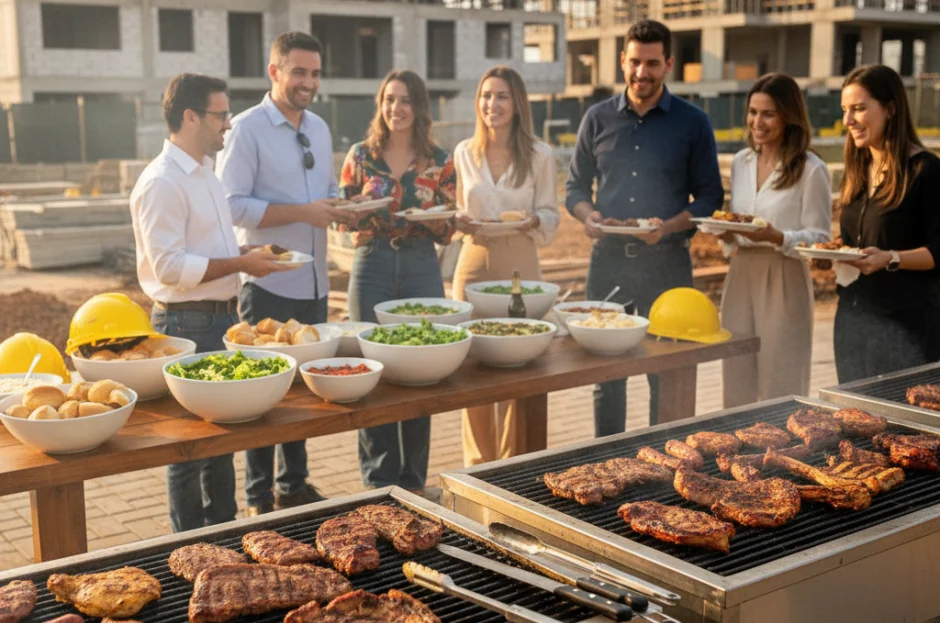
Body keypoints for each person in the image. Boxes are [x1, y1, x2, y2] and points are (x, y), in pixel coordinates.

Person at [130, 73, 293, 532]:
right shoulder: (162, 182)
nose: (228, 124)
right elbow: (169, 268)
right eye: (221, 115)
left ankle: (226, 536)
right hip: (184, 324)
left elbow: (217, 253)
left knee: (220, 440)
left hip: (218, 320)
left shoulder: (205, 173)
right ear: (190, 116)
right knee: (186, 448)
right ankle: (188, 548)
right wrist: (241, 262)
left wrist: (249, 258)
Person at [216, 32, 356, 517]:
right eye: (299, 72)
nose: (309, 82)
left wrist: (338, 207)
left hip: (314, 284)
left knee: (302, 393)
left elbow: (321, 191)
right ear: (274, 72)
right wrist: (303, 212)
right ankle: (258, 500)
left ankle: (293, 486)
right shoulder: (246, 129)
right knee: (263, 396)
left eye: (315, 73)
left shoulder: (317, 126)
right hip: (268, 283)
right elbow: (231, 205)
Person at [565, 19, 724, 436]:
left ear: (668, 63)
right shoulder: (596, 119)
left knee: (665, 375)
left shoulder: (694, 122)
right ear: (622, 61)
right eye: (635, 61)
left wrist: (668, 227)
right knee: (607, 380)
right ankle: (608, 461)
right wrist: (589, 216)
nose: (642, 72)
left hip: (666, 267)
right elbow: (575, 188)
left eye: (652, 63)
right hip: (608, 267)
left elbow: (710, 197)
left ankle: (664, 474)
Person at [338, 69, 457, 491]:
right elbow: (342, 216)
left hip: (421, 263)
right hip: (370, 263)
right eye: (389, 99)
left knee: (419, 368)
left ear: (419, 107)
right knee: (372, 369)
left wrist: (442, 220)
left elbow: (447, 227)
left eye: (405, 100)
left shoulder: (440, 160)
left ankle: (413, 481)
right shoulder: (359, 155)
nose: (396, 108)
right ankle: (378, 484)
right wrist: (355, 210)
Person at [452, 65, 560, 466]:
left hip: (520, 257)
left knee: (521, 360)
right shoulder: (464, 152)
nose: (491, 104)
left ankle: (516, 464)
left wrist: (534, 219)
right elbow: (461, 210)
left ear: (517, 104)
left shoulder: (541, 155)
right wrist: (459, 220)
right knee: (472, 362)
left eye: (501, 96)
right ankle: (477, 466)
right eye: (485, 96)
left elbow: (551, 214)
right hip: (474, 257)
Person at [720, 73, 831, 407]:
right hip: (739, 274)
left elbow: (820, 237)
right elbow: (737, 220)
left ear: (789, 116)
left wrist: (777, 236)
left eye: (768, 113)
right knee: (735, 376)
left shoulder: (811, 169)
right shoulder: (741, 162)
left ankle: (779, 454)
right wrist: (725, 233)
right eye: (753, 112)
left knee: (780, 380)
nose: (758, 122)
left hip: (784, 275)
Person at [833, 64, 940, 383]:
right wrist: (832, 255)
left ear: (891, 108)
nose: (848, 120)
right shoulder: (855, 171)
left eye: (859, 109)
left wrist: (890, 259)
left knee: (904, 431)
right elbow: (853, 244)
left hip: (907, 328)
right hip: (853, 324)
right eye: (845, 110)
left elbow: (939, 250)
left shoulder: (926, 171)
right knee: (855, 423)